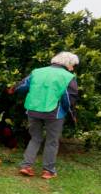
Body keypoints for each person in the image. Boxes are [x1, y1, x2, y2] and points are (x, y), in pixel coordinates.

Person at [9, 51, 79, 179]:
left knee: (35, 138)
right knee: (52, 141)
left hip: (32, 110)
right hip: (54, 113)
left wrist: (13, 89)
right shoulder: (68, 77)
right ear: (67, 64)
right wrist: (72, 114)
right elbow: (68, 99)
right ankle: (48, 171)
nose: (73, 68)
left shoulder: (37, 72)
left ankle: (26, 166)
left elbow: (22, 86)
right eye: (73, 64)